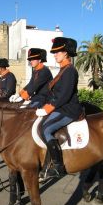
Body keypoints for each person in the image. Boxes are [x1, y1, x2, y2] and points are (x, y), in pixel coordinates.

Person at [36, 37, 83, 179]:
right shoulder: (63, 70)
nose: (55, 55)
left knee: (45, 130)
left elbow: (64, 95)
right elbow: (53, 93)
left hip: (69, 109)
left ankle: (58, 166)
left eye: (58, 52)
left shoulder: (70, 71)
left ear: (66, 53)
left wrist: (47, 109)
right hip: (60, 107)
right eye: (54, 52)